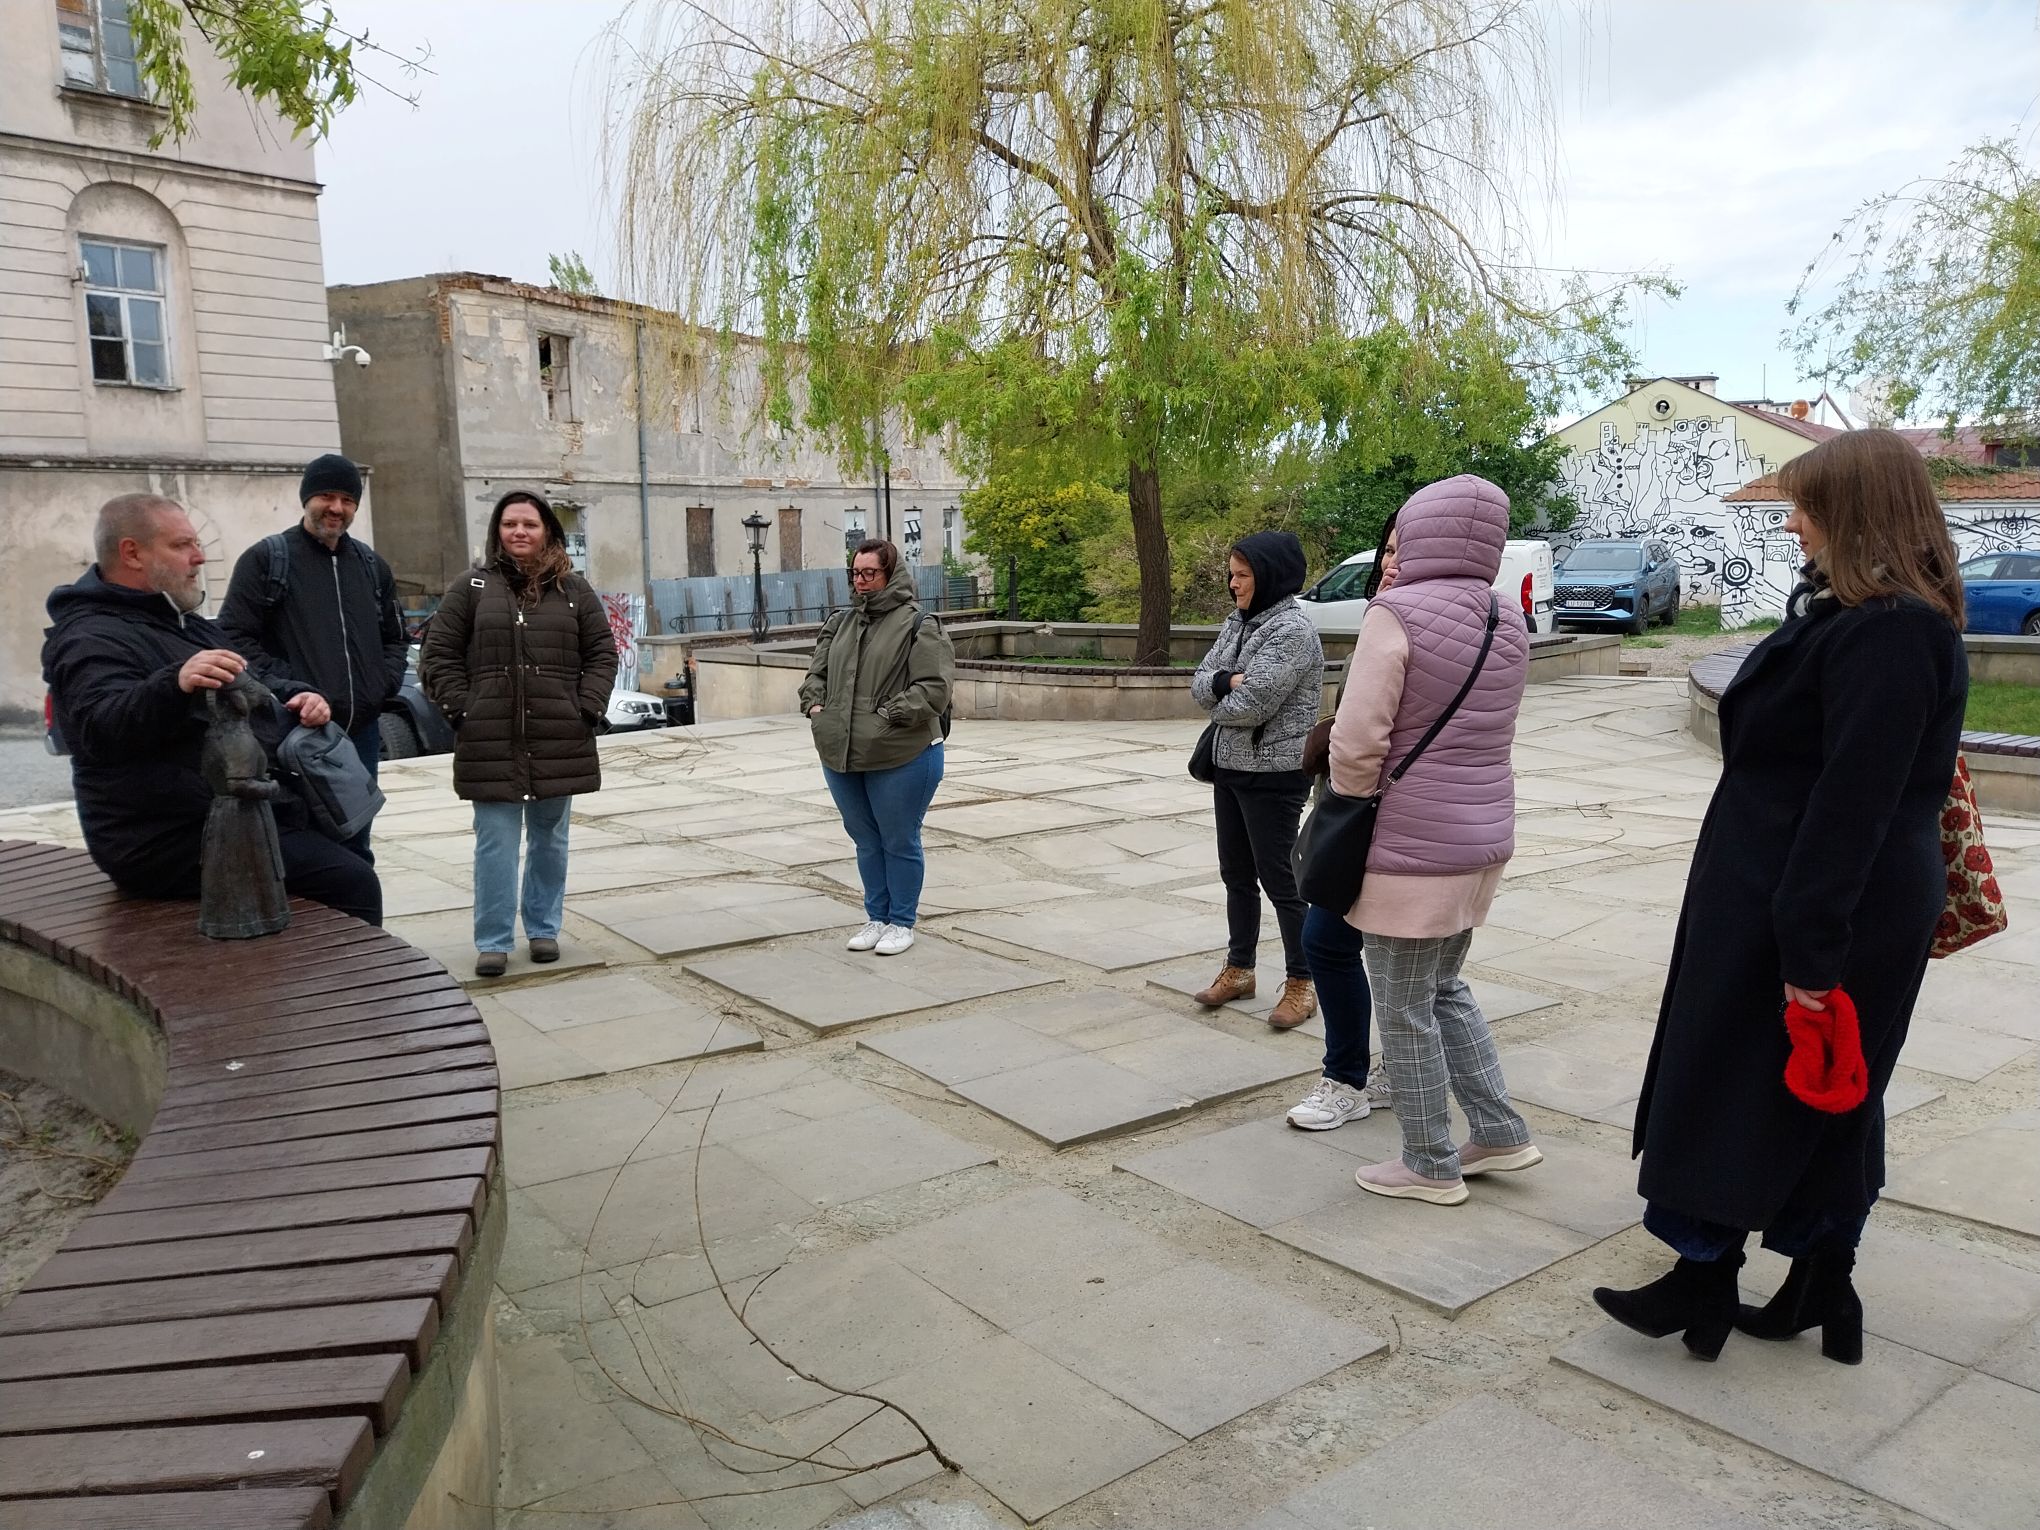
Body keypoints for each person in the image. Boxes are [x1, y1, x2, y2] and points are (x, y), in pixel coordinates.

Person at [1592, 429, 1969, 1363]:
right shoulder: (1854, 614)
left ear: (1857, 512)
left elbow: (1855, 808)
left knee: (1759, 1081)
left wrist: (1810, 953)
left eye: (1807, 502)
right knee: (1819, 1091)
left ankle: (1705, 1274)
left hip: (1820, 904)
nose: (1793, 518)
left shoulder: (1892, 632)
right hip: (1780, 893)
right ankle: (1813, 1281)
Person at [1305, 475, 1539, 1203]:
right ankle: (1499, 1131)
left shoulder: (1393, 614)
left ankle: (1429, 1162)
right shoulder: (1508, 618)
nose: (1393, 558)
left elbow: (1356, 740)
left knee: (1404, 1005)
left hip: (1409, 847)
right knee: (1445, 989)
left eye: (1402, 541)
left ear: (1431, 537)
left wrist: (1352, 796)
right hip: (1481, 838)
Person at [41, 493, 382, 925]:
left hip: (223, 813)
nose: (199, 557)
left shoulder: (179, 621)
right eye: (182, 545)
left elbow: (253, 671)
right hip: (161, 836)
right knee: (351, 882)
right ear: (132, 553)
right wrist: (174, 683)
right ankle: (342, 990)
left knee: (346, 849)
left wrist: (299, 694)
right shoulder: (89, 635)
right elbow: (97, 728)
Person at [420, 490, 617, 977]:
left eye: (529, 524)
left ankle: (544, 928)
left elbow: (602, 654)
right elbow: (438, 655)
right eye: (510, 524)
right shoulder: (473, 588)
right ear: (498, 532)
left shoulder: (574, 591)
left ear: (547, 529)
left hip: (558, 737)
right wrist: (464, 711)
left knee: (551, 840)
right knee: (496, 842)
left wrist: (585, 710)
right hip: (491, 740)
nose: (519, 532)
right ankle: (493, 939)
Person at [218, 453, 407, 860]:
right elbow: (233, 638)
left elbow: (395, 638)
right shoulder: (267, 561)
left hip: (359, 735)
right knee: (306, 848)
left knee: (357, 843)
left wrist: (380, 685)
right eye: (325, 495)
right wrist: (292, 691)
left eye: (347, 499)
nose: (336, 508)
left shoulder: (372, 567)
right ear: (306, 498)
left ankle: (356, 924)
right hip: (294, 734)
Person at [1188, 531, 1326, 1030]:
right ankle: (1240, 968)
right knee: (1236, 876)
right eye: (1231, 575)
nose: (1233, 585)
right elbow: (1199, 682)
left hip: (1273, 773)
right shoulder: (1238, 623)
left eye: (1242, 576)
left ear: (1268, 575)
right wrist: (1228, 680)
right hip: (1229, 768)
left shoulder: (1291, 630)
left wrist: (1225, 689)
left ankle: (1302, 982)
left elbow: (1253, 704)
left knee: (1282, 882)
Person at [1291, 515, 1399, 1128]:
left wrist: (1339, 756)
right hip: (1363, 809)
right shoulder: (1383, 626)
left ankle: (1348, 1078)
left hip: (1379, 814)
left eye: (1401, 552)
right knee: (1348, 945)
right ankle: (1372, 1072)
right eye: (1385, 549)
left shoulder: (1405, 630)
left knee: (1331, 943)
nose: (1388, 563)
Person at [801, 539, 955, 956]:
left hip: (902, 755)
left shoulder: (920, 624)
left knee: (899, 839)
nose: (861, 581)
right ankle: (877, 917)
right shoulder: (841, 623)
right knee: (865, 840)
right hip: (841, 752)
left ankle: (902, 922)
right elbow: (815, 675)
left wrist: (886, 716)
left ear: (891, 574)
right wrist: (818, 708)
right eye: (855, 572)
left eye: (870, 572)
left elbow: (933, 689)